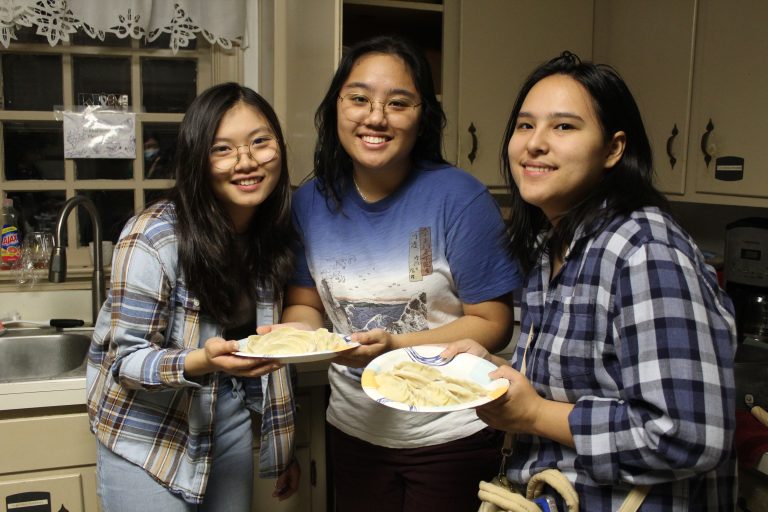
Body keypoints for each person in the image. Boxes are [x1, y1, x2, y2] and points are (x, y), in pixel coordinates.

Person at [442, 52, 737, 510]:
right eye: (525, 125)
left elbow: (687, 435)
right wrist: (489, 367)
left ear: (613, 148)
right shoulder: (554, 245)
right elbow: (586, 380)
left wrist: (535, 415)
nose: (534, 144)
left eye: (563, 127)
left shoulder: (645, 251)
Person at [266, 35, 522, 512]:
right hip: (355, 429)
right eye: (359, 98)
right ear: (336, 107)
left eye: (398, 102)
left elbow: (493, 323)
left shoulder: (459, 197)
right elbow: (306, 302)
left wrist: (394, 347)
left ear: (421, 115)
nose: (375, 117)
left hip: (451, 430)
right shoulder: (309, 202)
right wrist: (293, 337)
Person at [86, 82, 300, 511]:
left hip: (229, 416)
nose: (247, 162)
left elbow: (264, 349)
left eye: (260, 142)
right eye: (223, 149)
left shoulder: (269, 233)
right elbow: (125, 362)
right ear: (197, 160)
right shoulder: (152, 236)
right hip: (148, 433)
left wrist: (282, 449)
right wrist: (201, 359)